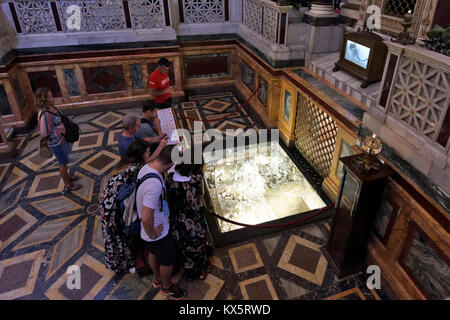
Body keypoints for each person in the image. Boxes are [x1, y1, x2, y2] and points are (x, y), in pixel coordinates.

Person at [136, 145, 186, 300]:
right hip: (157, 233)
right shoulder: (154, 185)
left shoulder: (147, 167)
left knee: (153, 253)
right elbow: (146, 216)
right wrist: (152, 233)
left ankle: (157, 278)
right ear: (171, 164)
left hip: (148, 233)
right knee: (167, 261)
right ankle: (167, 286)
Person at [99, 139, 151, 274]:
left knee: (111, 236)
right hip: (113, 209)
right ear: (140, 154)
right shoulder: (136, 167)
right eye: (147, 152)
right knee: (117, 237)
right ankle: (125, 265)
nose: (148, 154)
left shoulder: (125, 162)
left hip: (107, 202)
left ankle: (121, 262)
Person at [166, 150, 210, 281]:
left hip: (176, 220)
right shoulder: (196, 179)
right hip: (192, 221)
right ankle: (201, 269)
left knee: (183, 247)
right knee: (197, 246)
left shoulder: (170, 178)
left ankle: (189, 272)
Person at [36, 87, 82, 192]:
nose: (53, 98)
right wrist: (57, 131)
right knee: (62, 162)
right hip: (56, 143)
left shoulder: (51, 107)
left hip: (62, 140)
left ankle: (68, 178)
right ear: (43, 99)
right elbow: (44, 133)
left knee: (65, 161)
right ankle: (68, 184)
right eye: (50, 97)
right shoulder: (45, 115)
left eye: (52, 95)